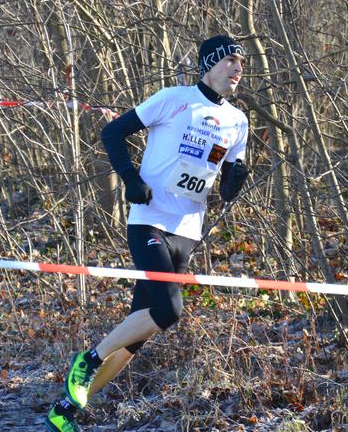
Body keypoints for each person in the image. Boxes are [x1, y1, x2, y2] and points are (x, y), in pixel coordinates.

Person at [45, 35, 250, 431]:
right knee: (168, 311)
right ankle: (87, 360)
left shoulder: (238, 122)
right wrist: (130, 179)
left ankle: (64, 411)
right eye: (231, 61)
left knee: (137, 336)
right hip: (150, 220)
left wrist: (236, 179)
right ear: (209, 63)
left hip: (188, 230)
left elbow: (225, 186)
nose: (239, 69)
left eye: (242, 63)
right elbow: (112, 133)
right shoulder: (174, 98)